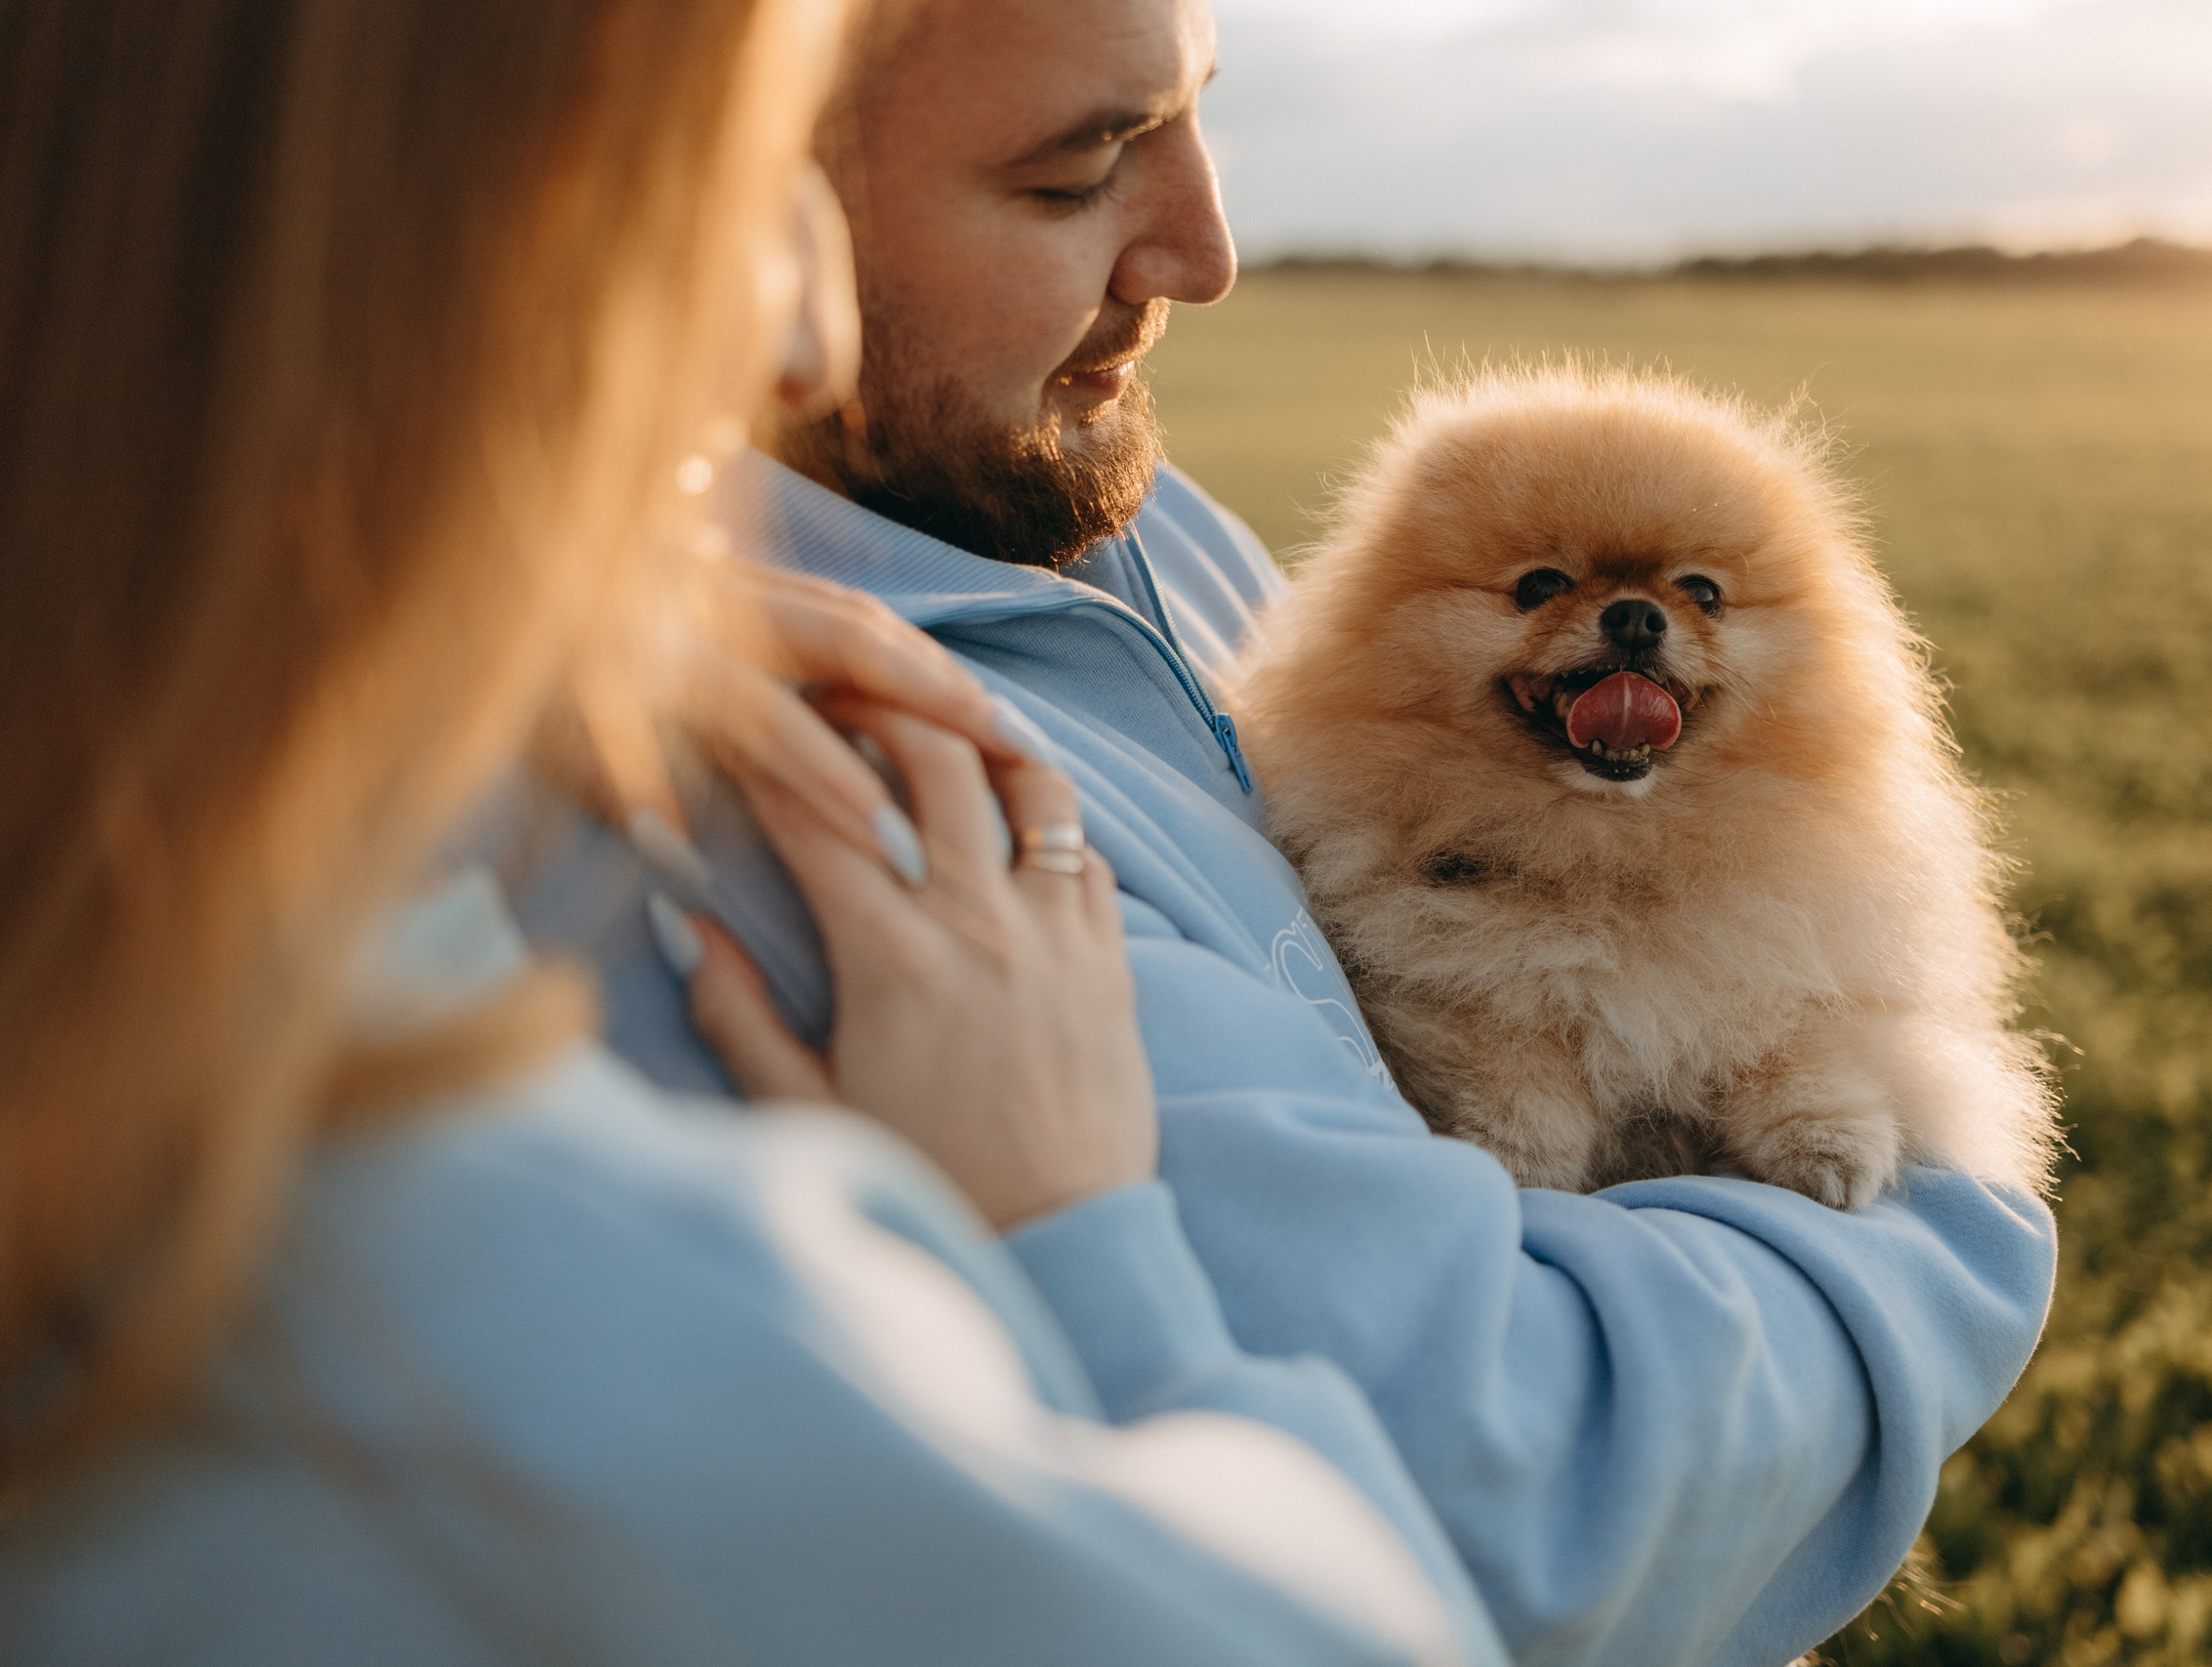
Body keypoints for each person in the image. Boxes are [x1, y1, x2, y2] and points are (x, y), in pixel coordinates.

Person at [512, 1, 2064, 1664]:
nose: (1207, 248)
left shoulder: (1105, 504)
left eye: (1197, 118)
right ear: (722, 219)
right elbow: (1523, 1512)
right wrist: (1957, 1231)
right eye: (1081, 170)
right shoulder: (839, 794)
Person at [0, 2, 1512, 1662]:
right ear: (433, 271)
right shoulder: (468, 1285)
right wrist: (1072, 1248)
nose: (794, 346)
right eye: (712, 204)